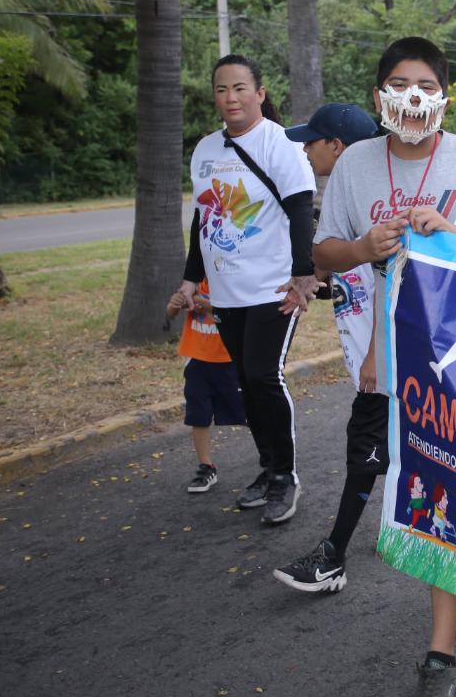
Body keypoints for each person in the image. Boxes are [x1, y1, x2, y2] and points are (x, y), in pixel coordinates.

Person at [309, 37, 456, 697]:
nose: (413, 97)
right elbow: (323, 254)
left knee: (452, 485)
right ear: (379, 93)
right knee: (420, 487)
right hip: (391, 360)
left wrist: (453, 231)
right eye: (400, 83)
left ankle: (439, 656)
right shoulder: (353, 163)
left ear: (444, 95)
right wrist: (360, 245)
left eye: (427, 85)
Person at [178, 54, 318, 525]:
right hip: (226, 291)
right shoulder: (204, 150)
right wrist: (189, 277)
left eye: (240, 88)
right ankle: (268, 468)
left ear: (259, 94)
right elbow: (204, 217)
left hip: (273, 287)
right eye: (221, 89)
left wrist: (302, 275)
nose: (230, 97)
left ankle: (286, 477)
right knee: (245, 383)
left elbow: (301, 210)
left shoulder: (279, 144)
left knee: (263, 377)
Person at [272, 103, 387, 594]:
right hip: (379, 361)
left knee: (364, 450)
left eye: (313, 140)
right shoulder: (343, 203)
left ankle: (332, 558)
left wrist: (375, 355)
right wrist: (310, 281)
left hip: (388, 364)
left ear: (337, 148)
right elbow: (335, 261)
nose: (305, 148)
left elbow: (388, 279)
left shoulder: (374, 202)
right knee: (401, 456)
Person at [165, 279, 244, 494]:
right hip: (197, 358)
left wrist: (208, 307)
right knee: (198, 413)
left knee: (247, 412)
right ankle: (206, 466)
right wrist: (175, 304)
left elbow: (239, 316)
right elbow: (171, 312)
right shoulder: (194, 280)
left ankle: (272, 458)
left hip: (229, 359)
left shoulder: (233, 279)